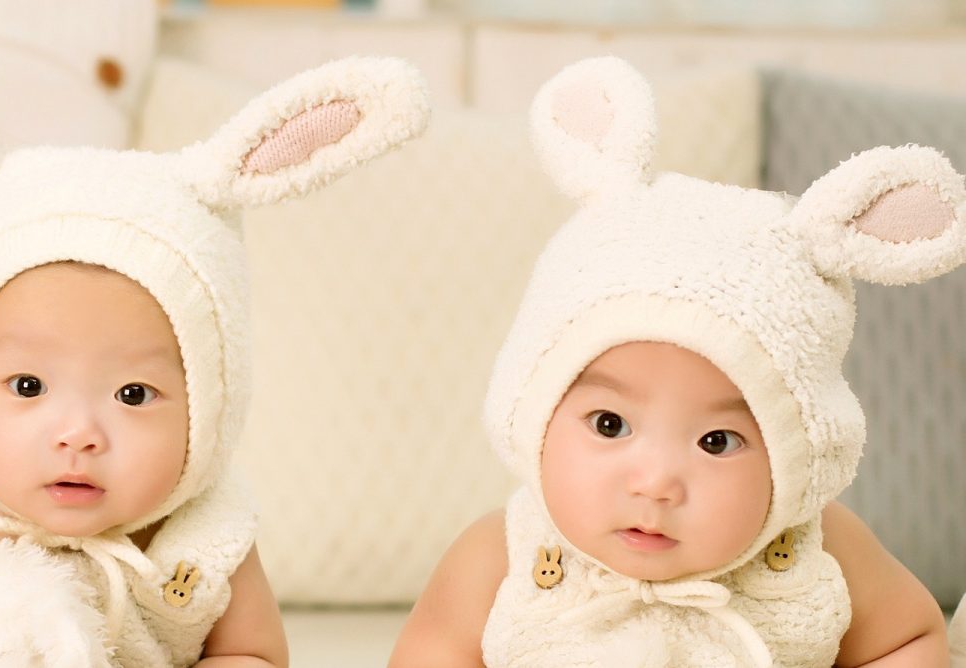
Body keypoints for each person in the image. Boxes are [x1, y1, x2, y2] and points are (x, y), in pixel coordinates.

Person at [0, 12, 429, 667]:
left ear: (207, 406)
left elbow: (254, 654)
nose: (78, 434)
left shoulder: (203, 535)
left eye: (134, 393)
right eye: (28, 386)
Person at [390, 56, 962, 667]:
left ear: (796, 457)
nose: (655, 483)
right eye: (609, 424)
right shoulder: (501, 560)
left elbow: (908, 639)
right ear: (534, 411)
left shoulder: (821, 552)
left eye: (718, 441)